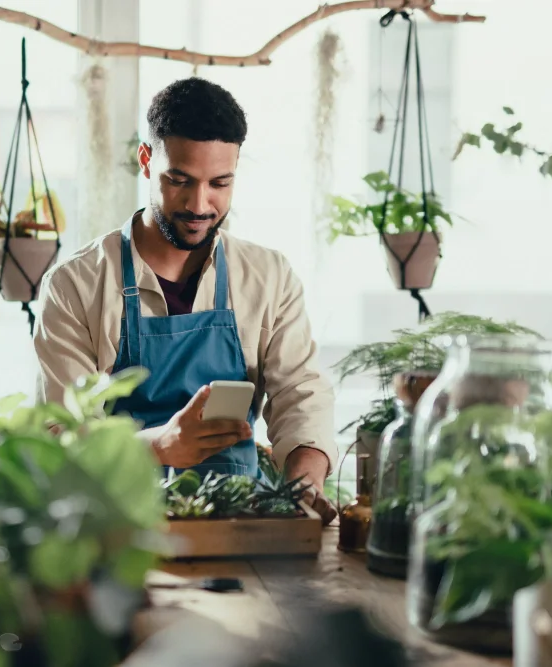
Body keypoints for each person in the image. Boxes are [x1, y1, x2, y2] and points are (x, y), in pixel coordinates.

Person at [33, 77, 337, 524]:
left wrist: (305, 485)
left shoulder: (268, 277)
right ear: (145, 160)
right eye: (179, 180)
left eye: (220, 183)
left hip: (237, 526)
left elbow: (301, 396)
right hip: (113, 528)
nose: (200, 204)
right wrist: (160, 445)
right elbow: (61, 433)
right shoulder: (75, 283)